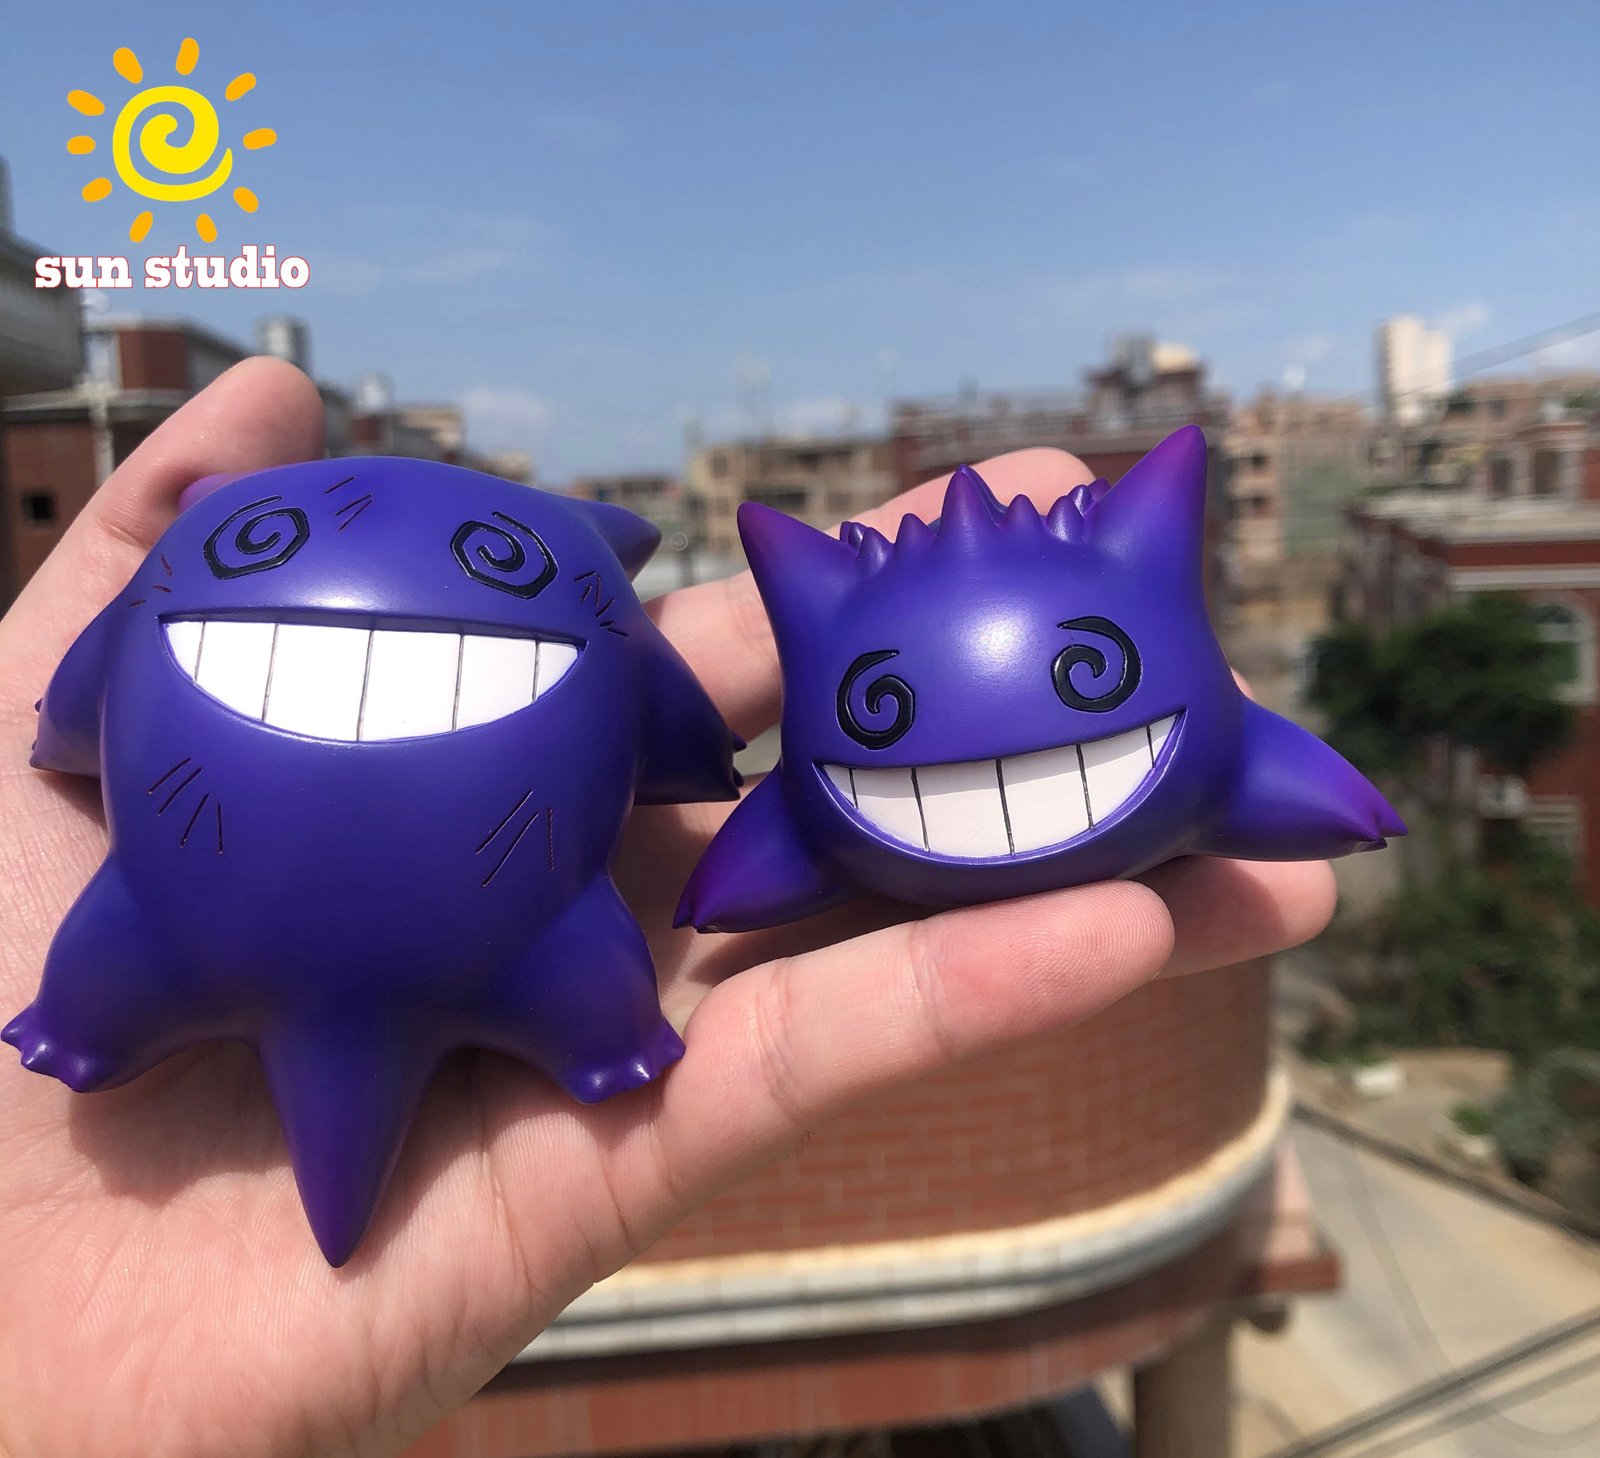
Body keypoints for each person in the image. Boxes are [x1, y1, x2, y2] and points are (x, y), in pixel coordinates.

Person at [0, 359, 1334, 1457]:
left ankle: (119, 1015)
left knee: (565, 969)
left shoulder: (204, 575)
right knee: (570, 974)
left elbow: (73, 713)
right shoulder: (580, 611)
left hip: (378, 926)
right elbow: (680, 738)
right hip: (385, 928)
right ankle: (557, 1028)